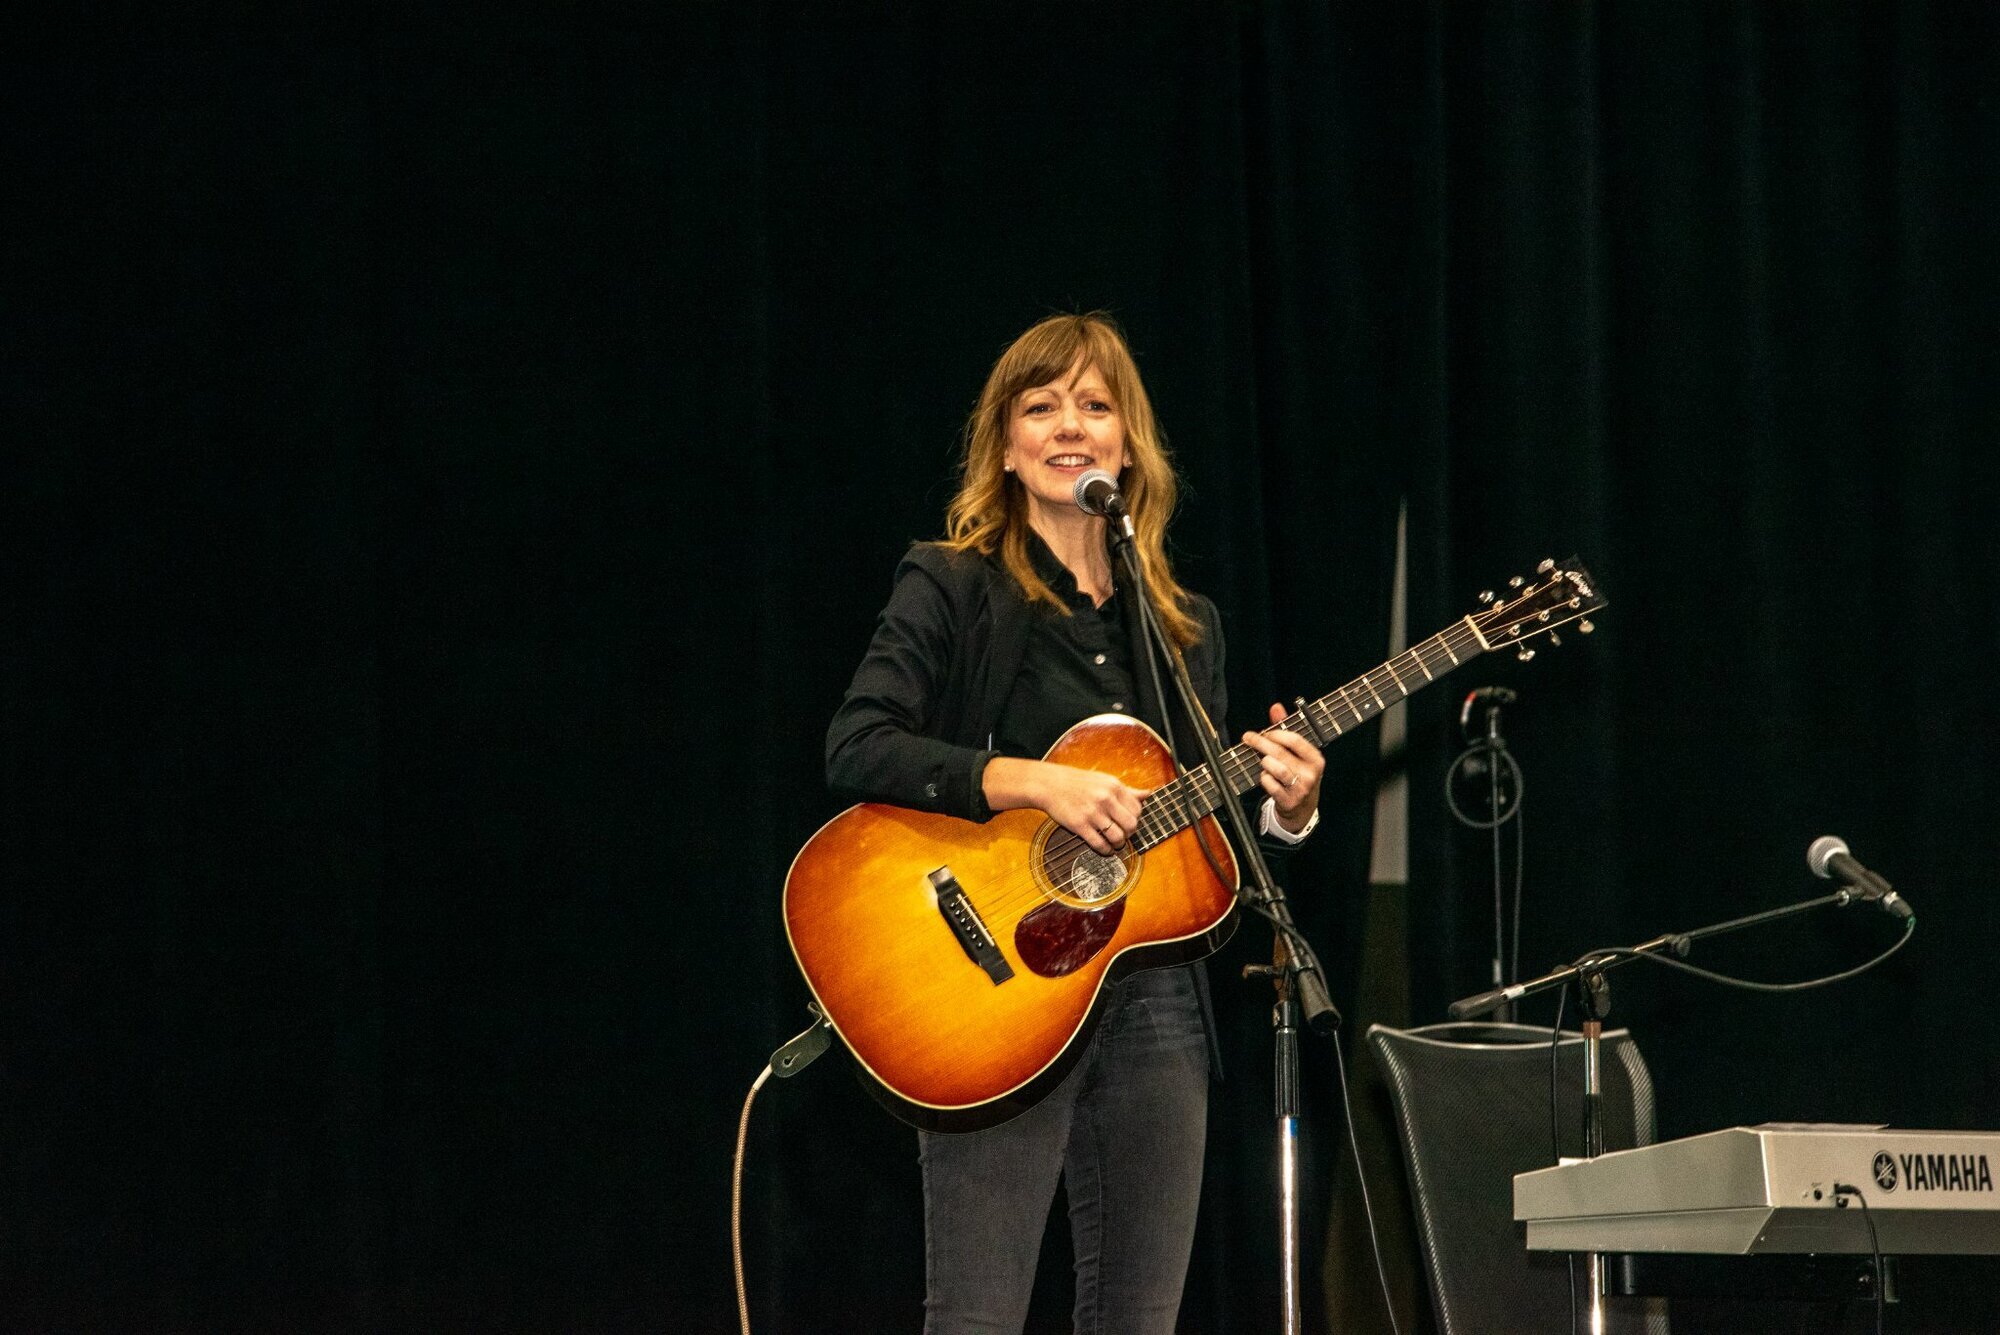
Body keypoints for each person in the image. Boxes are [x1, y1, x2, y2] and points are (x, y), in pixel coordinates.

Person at [825, 313, 1326, 1334]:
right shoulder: (951, 585)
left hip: (1153, 1005)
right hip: (987, 989)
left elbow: (1199, 849)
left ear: (1128, 445)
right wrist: (1030, 785)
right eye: (1040, 405)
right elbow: (857, 744)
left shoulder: (1184, 626)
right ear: (1003, 448)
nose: (1069, 425)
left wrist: (1288, 809)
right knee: (976, 1317)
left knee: (1138, 1319)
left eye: (1095, 406)